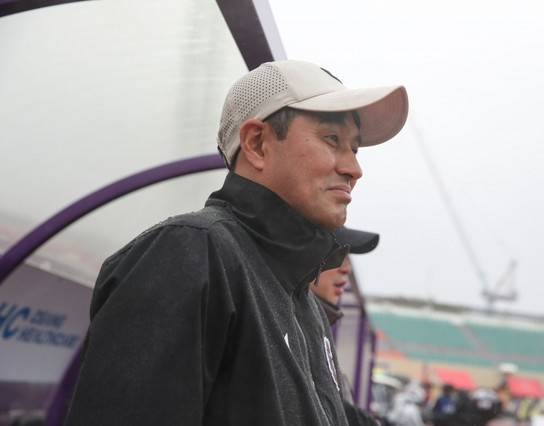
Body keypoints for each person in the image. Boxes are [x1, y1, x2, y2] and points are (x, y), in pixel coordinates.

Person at [64, 60, 408, 426]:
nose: (354, 169)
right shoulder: (189, 254)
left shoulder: (303, 302)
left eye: (355, 149)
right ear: (257, 143)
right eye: (332, 140)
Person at [311, 227, 380, 426]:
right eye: (336, 253)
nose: (346, 268)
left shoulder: (317, 329)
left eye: (348, 257)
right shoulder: (290, 330)